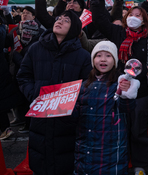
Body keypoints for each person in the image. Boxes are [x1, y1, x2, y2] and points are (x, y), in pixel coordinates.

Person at [91, 0, 148, 175]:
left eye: (138, 16)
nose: (133, 18)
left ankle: (140, 164)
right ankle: (120, 161)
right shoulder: (119, 34)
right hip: (117, 90)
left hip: (142, 94)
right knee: (117, 129)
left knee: (138, 131)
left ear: (145, 20)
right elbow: (99, 20)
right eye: (131, 14)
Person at [17, 10, 92, 175]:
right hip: (40, 119)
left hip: (67, 121)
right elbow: (23, 76)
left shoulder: (83, 56)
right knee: (40, 163)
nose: (60, 21)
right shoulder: (36, 48)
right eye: (59, 18)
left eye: (66, 20)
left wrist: (70, 102)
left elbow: (88, 86)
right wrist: (34, 95)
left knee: (64, 164)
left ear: (74, 29)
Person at [73, 41, 138, 174]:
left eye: (108, 55)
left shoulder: (120, 84)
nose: (103, 59)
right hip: (85, 151)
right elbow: (75, 115)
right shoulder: (83, 86)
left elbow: (128, 108)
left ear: (114, 61)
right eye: (98, 55)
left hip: (111, 153)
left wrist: (126, 94)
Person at [6, 6, 45, 133]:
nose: (24, 15)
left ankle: (29, 122)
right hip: (16, 67)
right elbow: (10, 45)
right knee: (18, 94)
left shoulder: (40, 31)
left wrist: (20, 58)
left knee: (29, 95)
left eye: (28, 13)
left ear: (34, 16)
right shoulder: (15, 30)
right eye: (23, 13)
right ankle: (20, 118)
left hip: (31, 68)